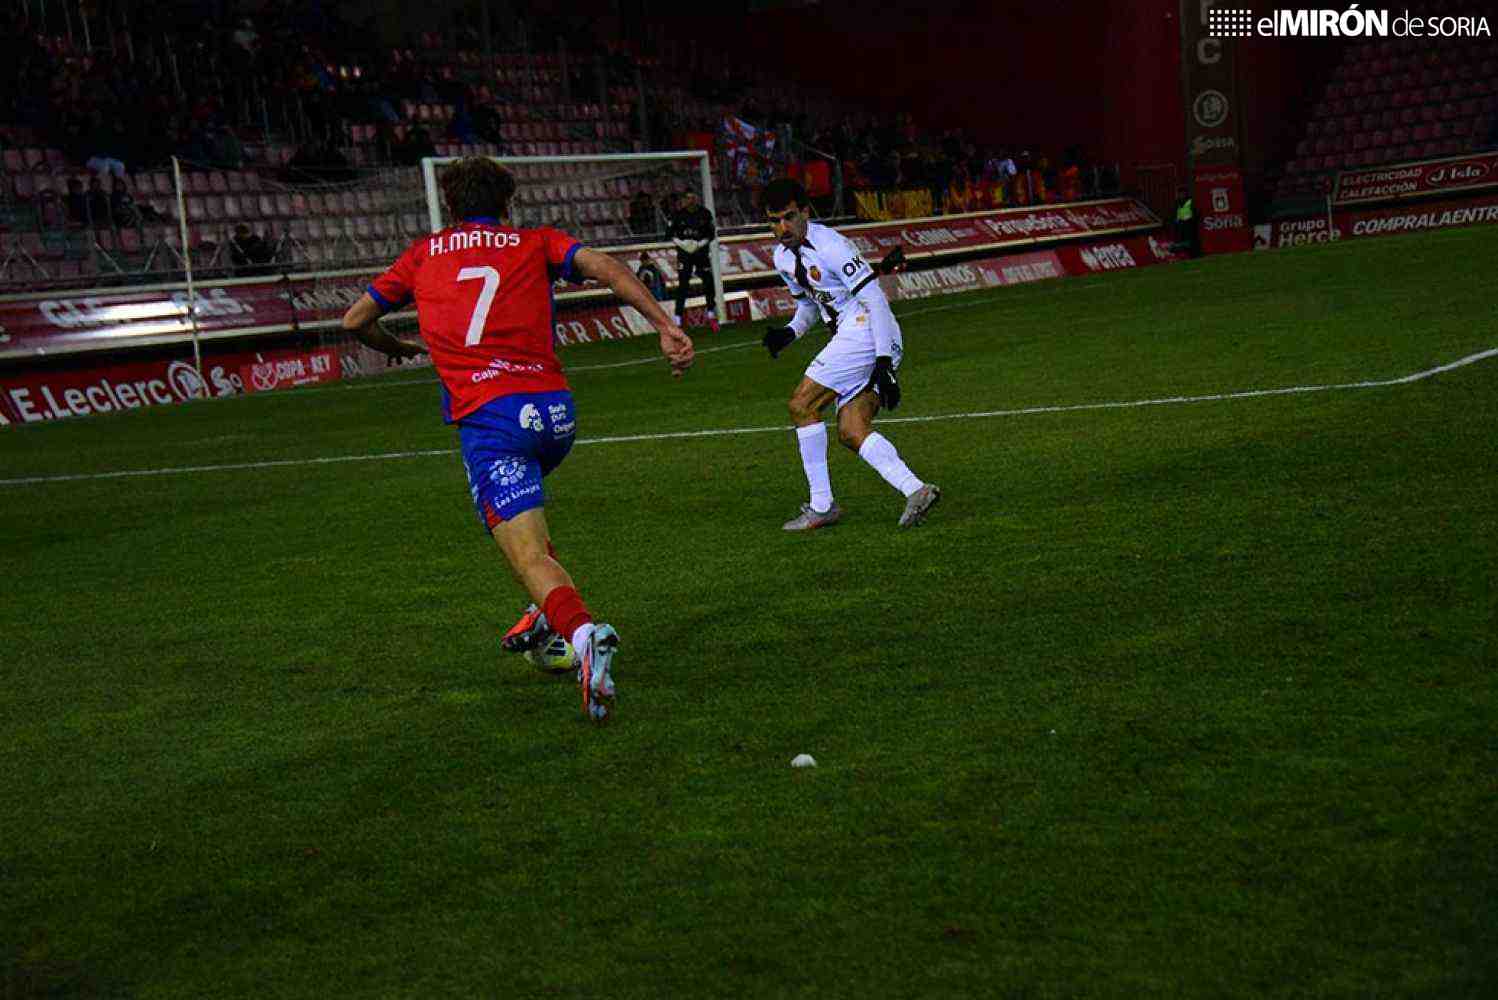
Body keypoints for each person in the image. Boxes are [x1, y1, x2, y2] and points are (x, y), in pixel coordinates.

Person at [338, 157, 694, 722]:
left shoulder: (423, 255)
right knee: (530, 536)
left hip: (492, 421)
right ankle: (546, 617)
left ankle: (581, 637)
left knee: (525, 552)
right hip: (555, 417)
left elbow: (355, 321)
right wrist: (665, 325)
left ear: (450, 206)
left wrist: (398, 348)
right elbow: (607, 267)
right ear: (508, 204)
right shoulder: (536, 241)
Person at [760, 178, 940, 531]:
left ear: (805, 213)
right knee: (850, 429)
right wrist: (789, 333)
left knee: (802, 405)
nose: (782, 227)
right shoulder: (783, 257)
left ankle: (821, 506)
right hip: (860, 336)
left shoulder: (832, 245)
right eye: (773, 220)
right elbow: (810, 309)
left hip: (870, 330)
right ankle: (916, 489)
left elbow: (874, 300)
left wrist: (884, 362)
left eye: (788, 217)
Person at [665, 190, 718, 331]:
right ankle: (677, 319)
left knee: (708, 282)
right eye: (688, 198)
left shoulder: (705, 214)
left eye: (693, 198)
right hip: (684, 254)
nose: (691, 200)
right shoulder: (677, 215)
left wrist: (699, 244)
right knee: (683, 285)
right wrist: (683, 244)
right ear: (684, 200)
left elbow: (711, 234)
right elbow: (669, 234)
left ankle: (712, 314)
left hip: (701, 253)